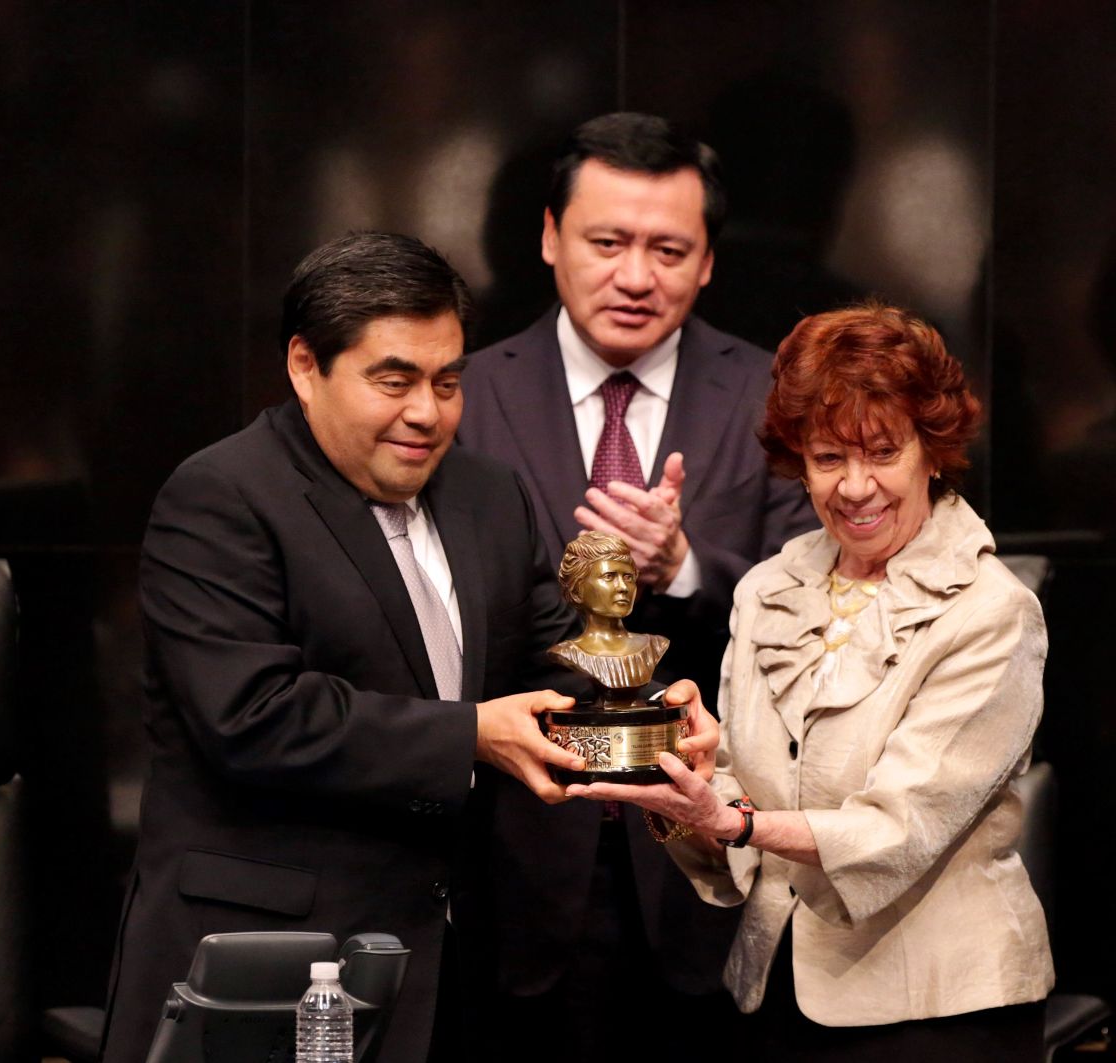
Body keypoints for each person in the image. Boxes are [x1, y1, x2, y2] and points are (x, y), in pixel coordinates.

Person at [98, 232, 713, 1063]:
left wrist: (654, 726)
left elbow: (553, 664)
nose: (427, 412)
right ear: (305, 367)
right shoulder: (221, 496)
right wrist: (471, 734)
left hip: (448, 969)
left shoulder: (489, 495)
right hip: (265, 965)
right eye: (394, 380)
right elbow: (252, 715)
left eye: (448, 381)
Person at [572, 303, 1054, 1061]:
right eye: (828, 458)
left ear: (933, 450)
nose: (855, 487)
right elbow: (734, 790)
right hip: (775, 994)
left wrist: (735, 821)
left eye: (882, 452)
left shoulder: (994, 610)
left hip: (941, 1012)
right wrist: (687, 783)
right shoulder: (767, 589)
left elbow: (902, 828)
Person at [456, 112, 814, 1046]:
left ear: (707, 264)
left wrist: (684, 566)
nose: (635, 275)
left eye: (668, 248)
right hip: (510, 854)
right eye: (607, 242)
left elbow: (821, 611)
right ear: (548, 237)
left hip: (711, 850)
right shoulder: (462, 396)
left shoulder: (774, 397)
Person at [549, 530, 670, 690]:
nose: (623, 587)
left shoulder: (656, 645)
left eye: (628, 577)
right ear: (577, 590)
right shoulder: (566, 653)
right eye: (609, 576)